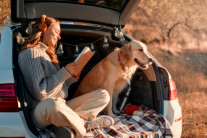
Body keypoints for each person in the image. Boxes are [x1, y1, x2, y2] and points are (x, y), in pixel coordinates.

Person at [18, 15, 114, 137]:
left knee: (103, 95)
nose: (59, 37)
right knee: (53, 104)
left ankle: (63, 125)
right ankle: (84, 125)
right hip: (39, 111)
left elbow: (58, 93)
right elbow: (41, 94)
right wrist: (64, 73)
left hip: (60, 106)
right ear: (44, 28)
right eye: (57, 31)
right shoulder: (30, 53)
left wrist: (69, 80)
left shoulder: (48, 55)